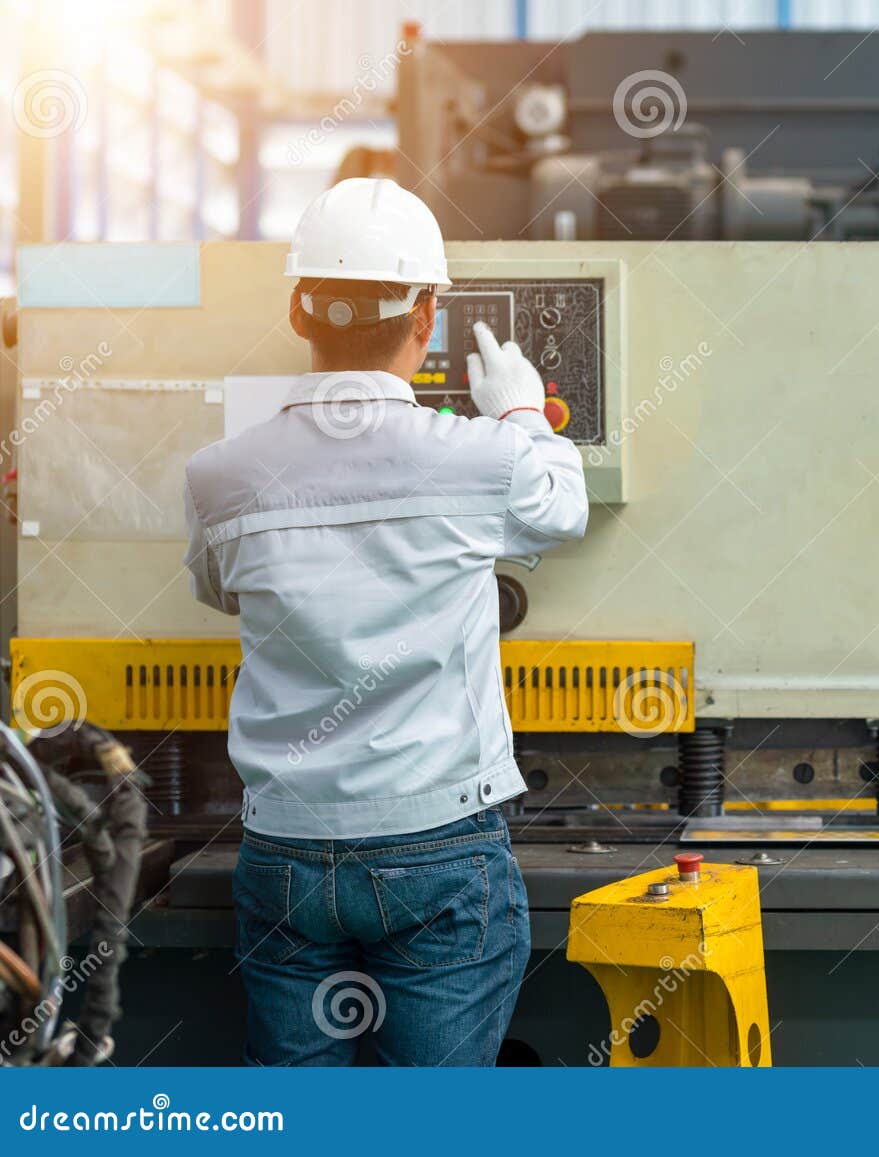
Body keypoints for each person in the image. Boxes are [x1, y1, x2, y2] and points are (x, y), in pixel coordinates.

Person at [182, 177, 588, 1065]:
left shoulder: (218, 475)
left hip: (286, 848)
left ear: (298, 310)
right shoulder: (479, 457)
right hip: (441, 849)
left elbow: (222, 590)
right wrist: (521, 410)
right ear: (428, 315)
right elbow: (564, 509)